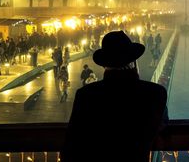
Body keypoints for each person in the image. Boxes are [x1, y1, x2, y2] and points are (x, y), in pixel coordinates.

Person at [61, 30, 168, 162]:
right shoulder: (156, 93)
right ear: (134, 63)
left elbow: (71, 143)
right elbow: (162, 125)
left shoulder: (86, 95)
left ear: (104, 65)